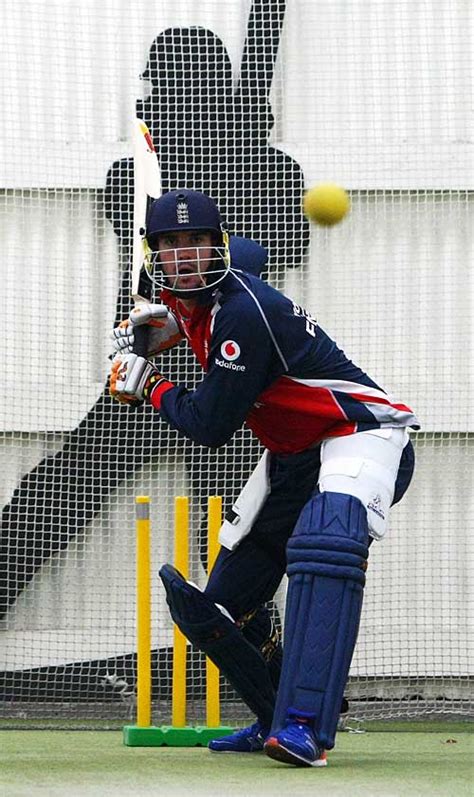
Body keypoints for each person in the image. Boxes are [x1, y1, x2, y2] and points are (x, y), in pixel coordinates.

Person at [110, 188, 418, 768]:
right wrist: (166, 325)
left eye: (197, 243)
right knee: (216, 608)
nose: (185, 258)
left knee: (323, 548)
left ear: (216, 245)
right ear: (155, 252)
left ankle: (305, 728)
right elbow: (234, 264)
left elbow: (208, 425)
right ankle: (272, 715)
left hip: (361, 433)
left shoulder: (244, 316)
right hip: (294, 456)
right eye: (171, 245)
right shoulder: (189, 290)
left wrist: (148, 383)